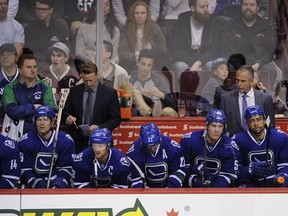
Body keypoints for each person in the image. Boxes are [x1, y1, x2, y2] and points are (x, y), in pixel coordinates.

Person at [63, 61, 121, 153]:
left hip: (101, 141)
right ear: (81, 76)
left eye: (91, 80)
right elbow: (66, 112)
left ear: (97, 75)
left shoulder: (109, 93)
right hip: (77, 141)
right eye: (85, 81)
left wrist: (99, 127)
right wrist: (68, 118)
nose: (89, 83)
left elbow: (116, 119)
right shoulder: (74, 91)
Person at [221, 0, 278, 89]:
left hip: (257, 63)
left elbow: (269, 51)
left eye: (252, 5)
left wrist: (259, 63)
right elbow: (226, 48)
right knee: (226, 68)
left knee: (270, 70)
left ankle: (262, 97)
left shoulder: (265, 27)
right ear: (241, 6)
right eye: (245, 4)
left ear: (258, 7)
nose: (248, 8)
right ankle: (230, 95)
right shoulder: (231, 25)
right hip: (236, 62)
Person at [168, 0, 221, 91]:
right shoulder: (180, 24)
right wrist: (194, 63)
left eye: (207, 6)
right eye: (202, 7)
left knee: (212, 66)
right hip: (185, 59)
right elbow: (176, 49)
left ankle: (210, 101)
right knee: (180, 67)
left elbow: (214, 48)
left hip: (205, 58)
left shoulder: (213, 24)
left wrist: (199, 62)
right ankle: (185, 100)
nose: (206, 10)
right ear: (193, 8)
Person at [19, 105, 75, 188]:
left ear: (52, 122)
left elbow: (66, 167)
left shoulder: (65, 141)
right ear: (35, 122)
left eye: (45, 119)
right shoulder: (26, 141)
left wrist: (60, 182)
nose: (42, 123)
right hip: (33, 184)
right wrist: (34, 181)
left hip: (56, 181)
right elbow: (24, 169)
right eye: (39, 119)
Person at [232, 105, 288, 187]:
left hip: (273, 181)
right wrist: (247, 170)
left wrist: (282, 175)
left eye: (259, 119)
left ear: (264, 120)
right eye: (251, 121)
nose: (256, 124)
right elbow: (233, 169)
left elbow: (285, 164)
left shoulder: (280, 138)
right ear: (246, 123)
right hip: (250, 183)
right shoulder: (237, 140)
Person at [180, 109, 238, 187]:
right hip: (192, 190)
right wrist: (192, 180)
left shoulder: (230, 146)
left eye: (220, 126)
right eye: (213, 126)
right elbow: (182, 169)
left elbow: (229, 175)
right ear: (206, 125)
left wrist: (213, 188)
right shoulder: (189, 140)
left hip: (218, 192)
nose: (217, 130)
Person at [2, 53, 55, 139]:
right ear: (19, 69)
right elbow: (11, 111)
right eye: (28, 67)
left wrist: (22, 110)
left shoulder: (45, 86)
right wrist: (34, 107)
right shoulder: (10, 88)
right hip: (16, 136)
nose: (33, 70)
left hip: (40, 135)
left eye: (35, 67)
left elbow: (48, 111)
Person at [126, 122, 188, 188]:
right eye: (149, 146)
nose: (152, 148)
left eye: (154, 145)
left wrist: (169, 188)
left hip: (169, 188)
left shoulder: (172, 148)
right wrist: (142, 192)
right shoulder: (133, 152)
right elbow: (135, 177)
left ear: (159, 138)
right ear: (141, 141)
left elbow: (181, 170)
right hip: (146, 188)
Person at [220, 65, 275, 137]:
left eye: (243, 81)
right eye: (237, 80)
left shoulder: (265, 99)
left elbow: (270, 125)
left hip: (257, 143)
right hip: (233, 143)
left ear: (251, 81)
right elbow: (221, 124)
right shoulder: (226, 98)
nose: (239, 84)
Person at [118, 0, 168, 73]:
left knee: (162, 62)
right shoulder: (126, 30)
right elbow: (122, 52)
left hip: (152, 60)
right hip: (133, 61)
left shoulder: (155, 28)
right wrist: (135, 58)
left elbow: (163, 50)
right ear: (132, 15)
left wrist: (149, 58)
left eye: (143, 13)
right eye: (136, 13)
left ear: (147, 14)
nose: (140, 16)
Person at [129, 49, 177, 117]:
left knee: (168, 111)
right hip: (139, 115)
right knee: (135, 94)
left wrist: (162, 95)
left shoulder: (159, 80)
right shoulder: (131, 80)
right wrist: (145, 99)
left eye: (149, 65)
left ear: (152, 66)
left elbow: (174, 106)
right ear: (137, 63)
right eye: (143, 64)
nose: (145, 68)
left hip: (159, 115)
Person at [24, 0, 69, 70]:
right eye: (38, 9)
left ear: (51, 10)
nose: (39, 12)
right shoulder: (30, 29)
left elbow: (66, 49)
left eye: (43, 9)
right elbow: (32, 53)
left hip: (59, 64)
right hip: (40, 66)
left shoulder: (61, 26)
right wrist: (48, 68)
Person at [0, 43, 20, 120]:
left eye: (9, 54)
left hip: (22, 119)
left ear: (16, 57)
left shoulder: (25, 74)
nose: (5, 57)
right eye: (2, 54)